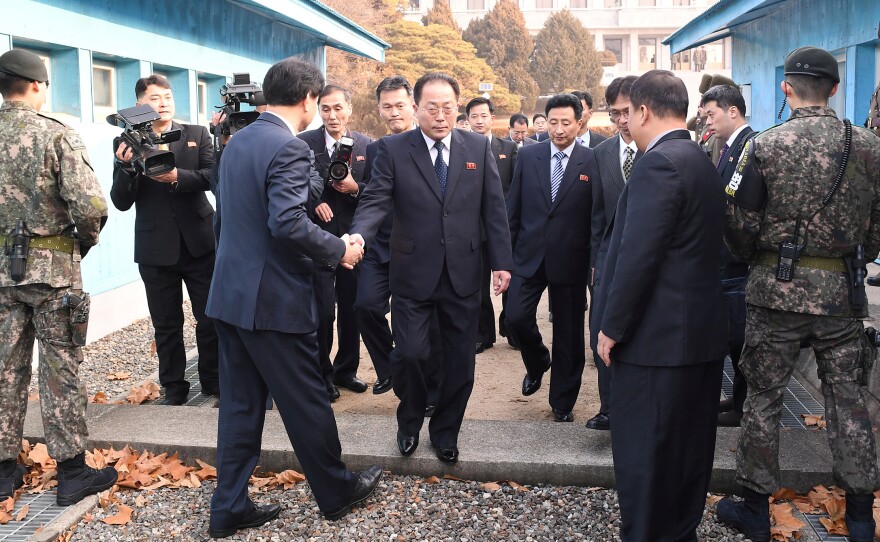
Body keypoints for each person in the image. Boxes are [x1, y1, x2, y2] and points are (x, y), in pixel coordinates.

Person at [206, 57, 381, 538]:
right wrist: (339, 251)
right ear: (306, 99)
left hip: (231, 295)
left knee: (240, 406)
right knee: (307, 400)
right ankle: (337, 491)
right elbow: (286, 221)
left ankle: (229, 507)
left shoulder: (236, 141)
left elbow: (227, 221)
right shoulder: (288, 147)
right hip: (274, 301)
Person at [718, 46, 880, 542]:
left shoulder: (764, 146)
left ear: (786, 87)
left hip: (774, 293)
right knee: (849, 402)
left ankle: (753, 509)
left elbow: (739, 227)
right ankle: (857, 517)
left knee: (763, 399)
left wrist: (759, 257)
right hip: (842, 297)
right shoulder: (869, 146)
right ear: (835, 88)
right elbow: (875, 233)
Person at [349, 73, 513, 463]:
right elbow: (374, 200)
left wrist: (502, 262)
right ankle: (409, 422)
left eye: (448, 107)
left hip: (462, 272)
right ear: (416, 108)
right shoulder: (392, 149)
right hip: (412, 271)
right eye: (431, 107)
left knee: (461, 363)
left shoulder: (476, 145)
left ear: (457, 108)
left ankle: (445, 431)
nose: (440, 116)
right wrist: (358, 236)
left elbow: (493, 208)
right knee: (409, 354)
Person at [594, 70, 727, 541]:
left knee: (646, 457)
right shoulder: (697, 156)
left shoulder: (659, 162)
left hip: (657, 341)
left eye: (627, 112)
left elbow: (638, 255)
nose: (625, 121)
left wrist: (612, 327)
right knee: (687, 453)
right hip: (696, 337)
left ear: (644, 111)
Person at [0, 48, 118, 504]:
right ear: (36, 86)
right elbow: (90, 207)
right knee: (60, 370)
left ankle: (4, 472)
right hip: (53, 274)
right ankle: (71, 474)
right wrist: (80, 244)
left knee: (4, 370)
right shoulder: (56, 136)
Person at [111, 74, 218, 405]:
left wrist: (177, 178)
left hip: (200, 243)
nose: (164, 103)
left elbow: (212, 177)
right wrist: (125, 168)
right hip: (155, 248)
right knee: (166, 324)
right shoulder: (126, 141)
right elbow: (120, 201)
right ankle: (174, 388)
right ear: (140, 105)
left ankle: (214, 381)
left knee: (211, 317)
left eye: (168, 96)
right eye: (156, 98)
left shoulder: (197, 134)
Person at [506, 93, 598, 423]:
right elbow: (513, 210)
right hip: (528, 256)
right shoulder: (529, 156)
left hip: (572, 260)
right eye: (553, 122)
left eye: (566, 123)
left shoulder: (592, 159)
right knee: (515, 318)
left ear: (579, 122)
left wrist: (593, 259)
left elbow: (596, 215)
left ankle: (562, 400)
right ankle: (537, 360)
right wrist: (505, 256)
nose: (559, 129)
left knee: (570, 334)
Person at [354, 75, 443, 410]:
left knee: (426, 329)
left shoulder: (434, 146)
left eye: (400, 105)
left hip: (421, 252)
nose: (394, 112)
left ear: (414, 106)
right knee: (365, 306)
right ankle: (391, 370)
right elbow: (373, 198)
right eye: (386, 106)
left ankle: (430, 393)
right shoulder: (376, 149)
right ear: (379, 110)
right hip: (380, 247)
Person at [297, 85, 372, 399]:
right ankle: (322, 374)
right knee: (323, 312)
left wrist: (355, 187)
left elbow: (378, 192)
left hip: (354, 240)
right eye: (325, 108)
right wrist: (313, 202)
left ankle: (346, 370)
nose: (332, 115)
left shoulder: (368, 145)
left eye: (338, 108)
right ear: (318, 110)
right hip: (319, 240)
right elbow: (293, 188)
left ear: (349, 109)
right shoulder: (302, 144)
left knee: (352, 309)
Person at [700, 84, 755, 428]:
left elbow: (735, 199)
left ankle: (742, 405)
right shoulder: (728, 146)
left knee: (739, 339)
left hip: (736, 259)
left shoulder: (748, 145)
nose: (707, 120)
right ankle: (736, 398)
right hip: (725, 257)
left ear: (732, 111)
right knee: (733, 336)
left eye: (711, 113)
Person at [587, 75, 638, 432]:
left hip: (647, 260)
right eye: (615, 112)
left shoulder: (660, 150)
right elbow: (594, 217)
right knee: (601, 333)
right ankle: (608, 408)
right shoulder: (600, 154)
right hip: (607, 259)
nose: (621, 120)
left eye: (628, 111)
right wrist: (593, 264)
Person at [467, 96, 517, 354]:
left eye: (483, 115)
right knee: (477, 285)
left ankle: (509, 328)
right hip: (474, 229)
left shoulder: (508, 149)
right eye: (474, 116)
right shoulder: (463, 148)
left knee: (509, 279)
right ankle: (482, 334)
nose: (479, 120)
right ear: (467, 120)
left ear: (492, 118)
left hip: (505, 228)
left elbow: (516, 189)